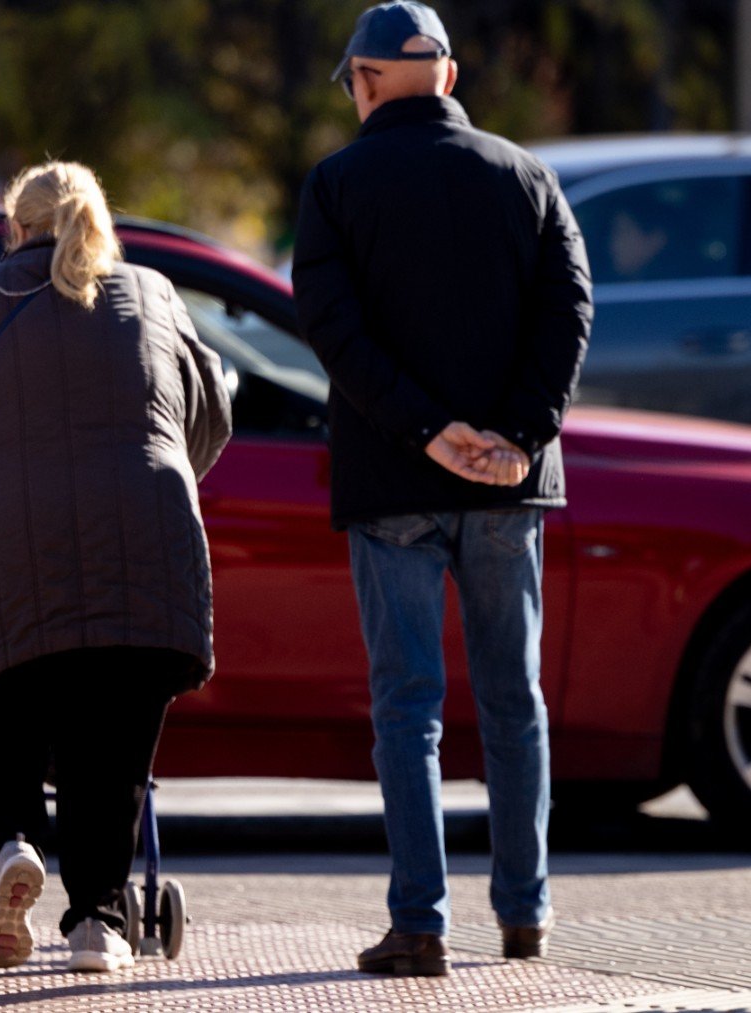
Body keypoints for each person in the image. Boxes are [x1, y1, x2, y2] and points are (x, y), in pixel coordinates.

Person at [292, 1, 592, 978]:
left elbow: (335, 332)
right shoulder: (529, 176)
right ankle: (525, 911)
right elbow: (570, 309)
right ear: (451, 79)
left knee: (407, 707)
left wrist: (428, 429)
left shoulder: (336, 186)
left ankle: (420, 921)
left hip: (393, 480)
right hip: (511, 483)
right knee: (516, 698)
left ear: (368, 81)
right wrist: (518, 432)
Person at [0, 161, 232, 974]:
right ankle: (98, 919)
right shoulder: (152, 293)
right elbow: (212, 418)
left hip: (11, 547)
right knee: (112, 751)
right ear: (97, 221)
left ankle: (15, 839)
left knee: (14, 697)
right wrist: (155, 468)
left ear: (15, 228)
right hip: (149, 547)